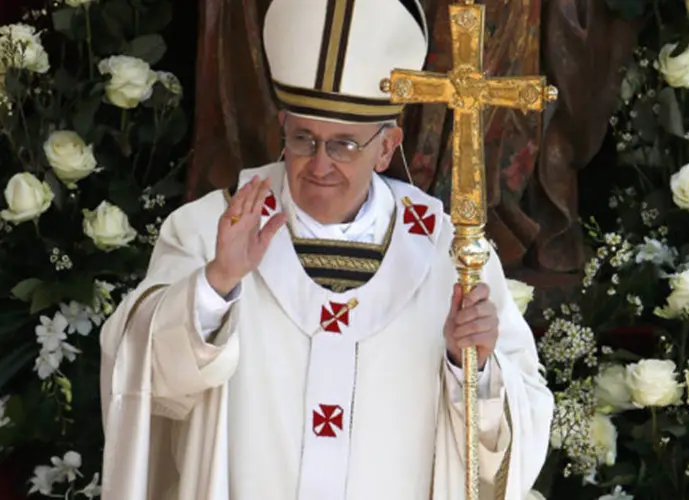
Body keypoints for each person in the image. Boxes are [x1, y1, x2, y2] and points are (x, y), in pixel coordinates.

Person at [98, 0, 554, 498]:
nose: (319, 164)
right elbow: (139, 373)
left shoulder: (454, 254)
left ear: (386, 147)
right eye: (303, 139)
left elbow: (516, 431)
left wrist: (474, 367)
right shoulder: (212, 228)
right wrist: (216, 284)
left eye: (343, 145)